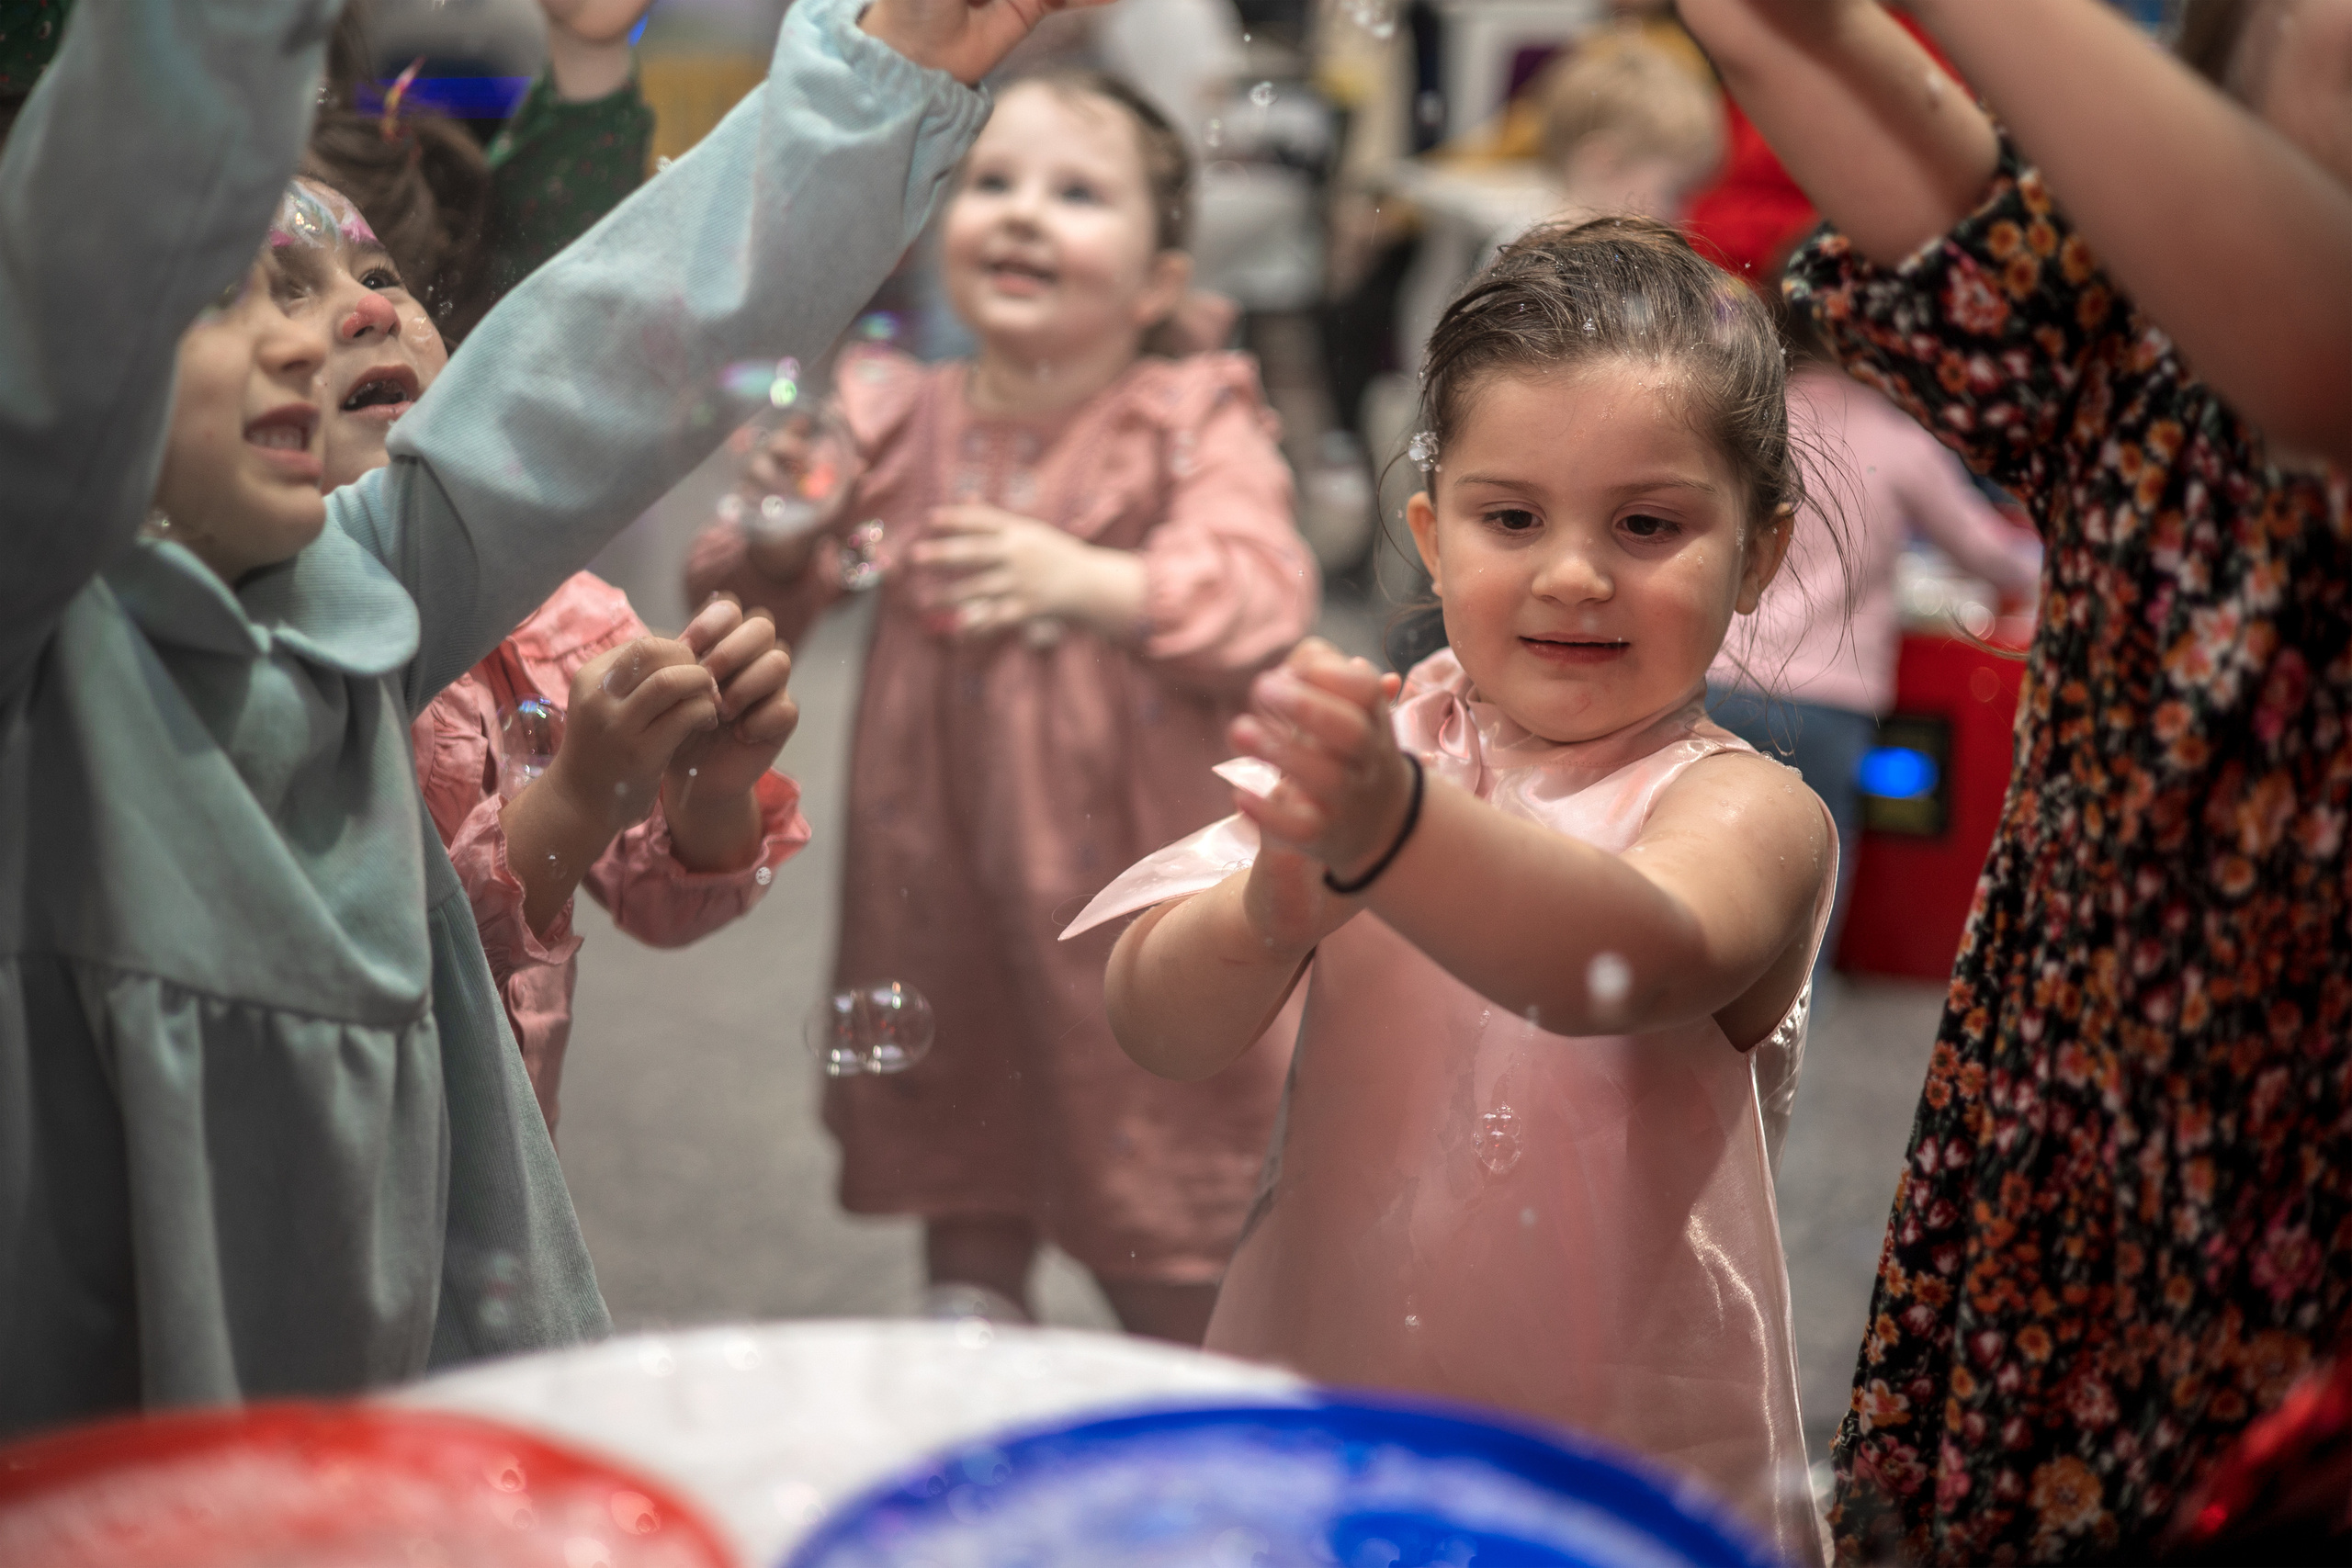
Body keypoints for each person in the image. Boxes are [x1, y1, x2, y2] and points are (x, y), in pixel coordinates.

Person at [0, 0, 1068, 1437]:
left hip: (427, 1418)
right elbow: (105, 214)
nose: (358, 313)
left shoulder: (361, 581)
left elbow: (607, 353)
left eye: (362, 274)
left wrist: (882, 80)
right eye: (225, 283)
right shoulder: (41, 636)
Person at [1672, 0, 2352, 1557]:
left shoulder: (2296, 352)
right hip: (2056, 1207)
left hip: (2290, 1256)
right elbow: (1886, 124)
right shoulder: (2138, 359)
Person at [1087, 217, 1836, 1561]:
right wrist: (1273, 907)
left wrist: (1392, 831)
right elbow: (1156, 1022)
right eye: (1511, 516)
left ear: (1760, 554)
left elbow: (1623, 961)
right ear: (1433, 539)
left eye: (1649, 522)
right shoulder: (1393, 746)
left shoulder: (1743, 810)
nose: (1570, 571)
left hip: (1609, 1451)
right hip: (1336, 1376)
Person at [685, 71, 1319, 1345]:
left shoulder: (1187, 414)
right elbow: (747, 607)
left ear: (1155, 284)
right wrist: (779, 529)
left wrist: (1097, 580)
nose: (1025, 212)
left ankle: (1178, 1383)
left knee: (1158, 1181)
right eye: (993, 183)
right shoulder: (893, 413)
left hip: (1130, 887)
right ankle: (971, 1352)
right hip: (944, 881)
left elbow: (1263, 588)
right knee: (964, 1138)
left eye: (1077, 192)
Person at [292, 179, 809, 1139]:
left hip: (505, 1152)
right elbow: (392, 962)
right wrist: (577, 799)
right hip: (340, 1158)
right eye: (284, 295)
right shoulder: (251, 646)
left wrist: (707, 792)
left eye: (377, 273)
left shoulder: (552, 613)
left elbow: (667, 908)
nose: (366, 307)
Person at [1709, 303, 2042, 987]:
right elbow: (1988, 553)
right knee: (1804, 910)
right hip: (1829, 706)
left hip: (1716, 681)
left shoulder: (1745, 419)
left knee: (1701, 875)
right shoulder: (1896, 440)